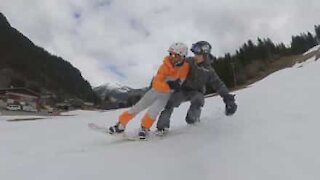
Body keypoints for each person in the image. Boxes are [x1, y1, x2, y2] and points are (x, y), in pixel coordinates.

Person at [108, 42, 190, 139]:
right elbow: (157, 82)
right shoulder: (165, 65)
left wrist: (177, 85)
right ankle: (120, 125)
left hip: (166, 95)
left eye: (174, 55)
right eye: (170, 54)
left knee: (153, 112)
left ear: (182, 56)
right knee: (137, 107)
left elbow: (181, 80)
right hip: (155, 91)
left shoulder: (185, 67)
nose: (171, 57)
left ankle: (144, 128)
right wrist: (169, 85)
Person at [156, 41, 237, 134]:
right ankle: (162, 128)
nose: (195, 56)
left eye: (198, 55)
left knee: (198, 99)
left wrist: (228, 98)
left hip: (196, 92)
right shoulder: (190, 61)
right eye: (195, 54)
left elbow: (218, 84)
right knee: (170, 102)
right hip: (182, 89)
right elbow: (177, 64)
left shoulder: (209, 71)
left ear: (205, 55)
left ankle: (193, 121)